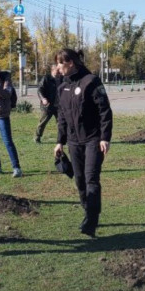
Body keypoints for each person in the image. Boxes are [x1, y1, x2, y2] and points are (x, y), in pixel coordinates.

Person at [54, 48, 113, 238]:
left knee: (91, 179)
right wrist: (59, 141)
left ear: (70, 63)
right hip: (74, 142)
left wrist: (105, 137)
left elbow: (105, 111)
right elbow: (62, 116)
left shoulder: (91, 81)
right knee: (79, 181)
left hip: (93, 139)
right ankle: (89, 211)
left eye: (60, 63)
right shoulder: (62, 87)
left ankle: (91, 221)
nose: (57, 67)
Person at [35, 63, 63, 143]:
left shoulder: (62, 78)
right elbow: (40, 89)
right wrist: (43, 99)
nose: (59, 72)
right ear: (52, 70)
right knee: (43, 122)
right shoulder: (46, 78)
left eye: (59, 70)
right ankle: (37, 137)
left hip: (59, 106)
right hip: (48, 106)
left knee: (61, 123)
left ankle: (61, 139)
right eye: (57, 71)